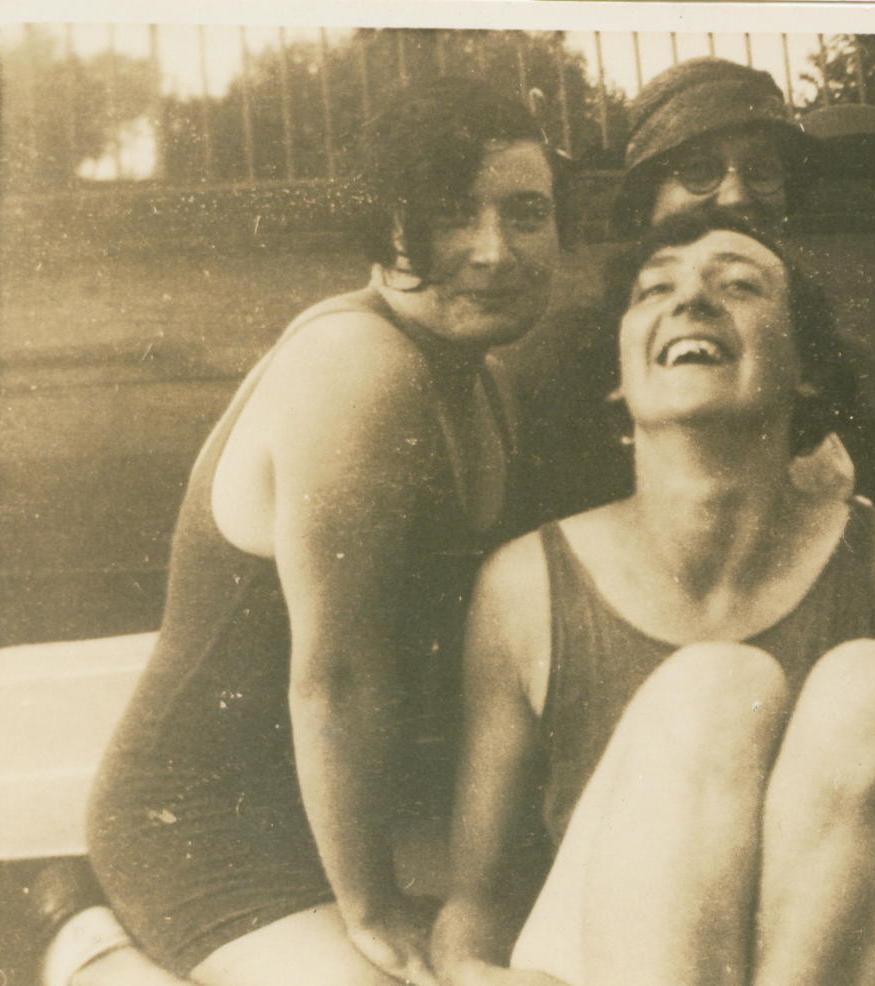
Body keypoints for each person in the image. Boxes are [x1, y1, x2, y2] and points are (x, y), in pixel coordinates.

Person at [59, 79, 567, 986]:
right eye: (452, 214)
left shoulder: (485, 378)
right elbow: (335, 679)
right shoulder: (356, 364)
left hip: (344, 811)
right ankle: (83, 950)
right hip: (207, 828)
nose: (495, 252)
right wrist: (372, 913)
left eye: (526, 213)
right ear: (385, 225)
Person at [430, 208, 875, 986]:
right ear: (618, 372)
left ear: (803, 366)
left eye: (739, 286)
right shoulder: (525, 585)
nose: (691, 300)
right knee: (714, 687)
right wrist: (470, 973)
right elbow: (477, 904)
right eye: (654, 289)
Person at [503, 56, 875, 534]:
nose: (736, 195)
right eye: (699, 170)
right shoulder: (573, 359)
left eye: (762, 170)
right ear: (647, 202)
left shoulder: (811, 349)